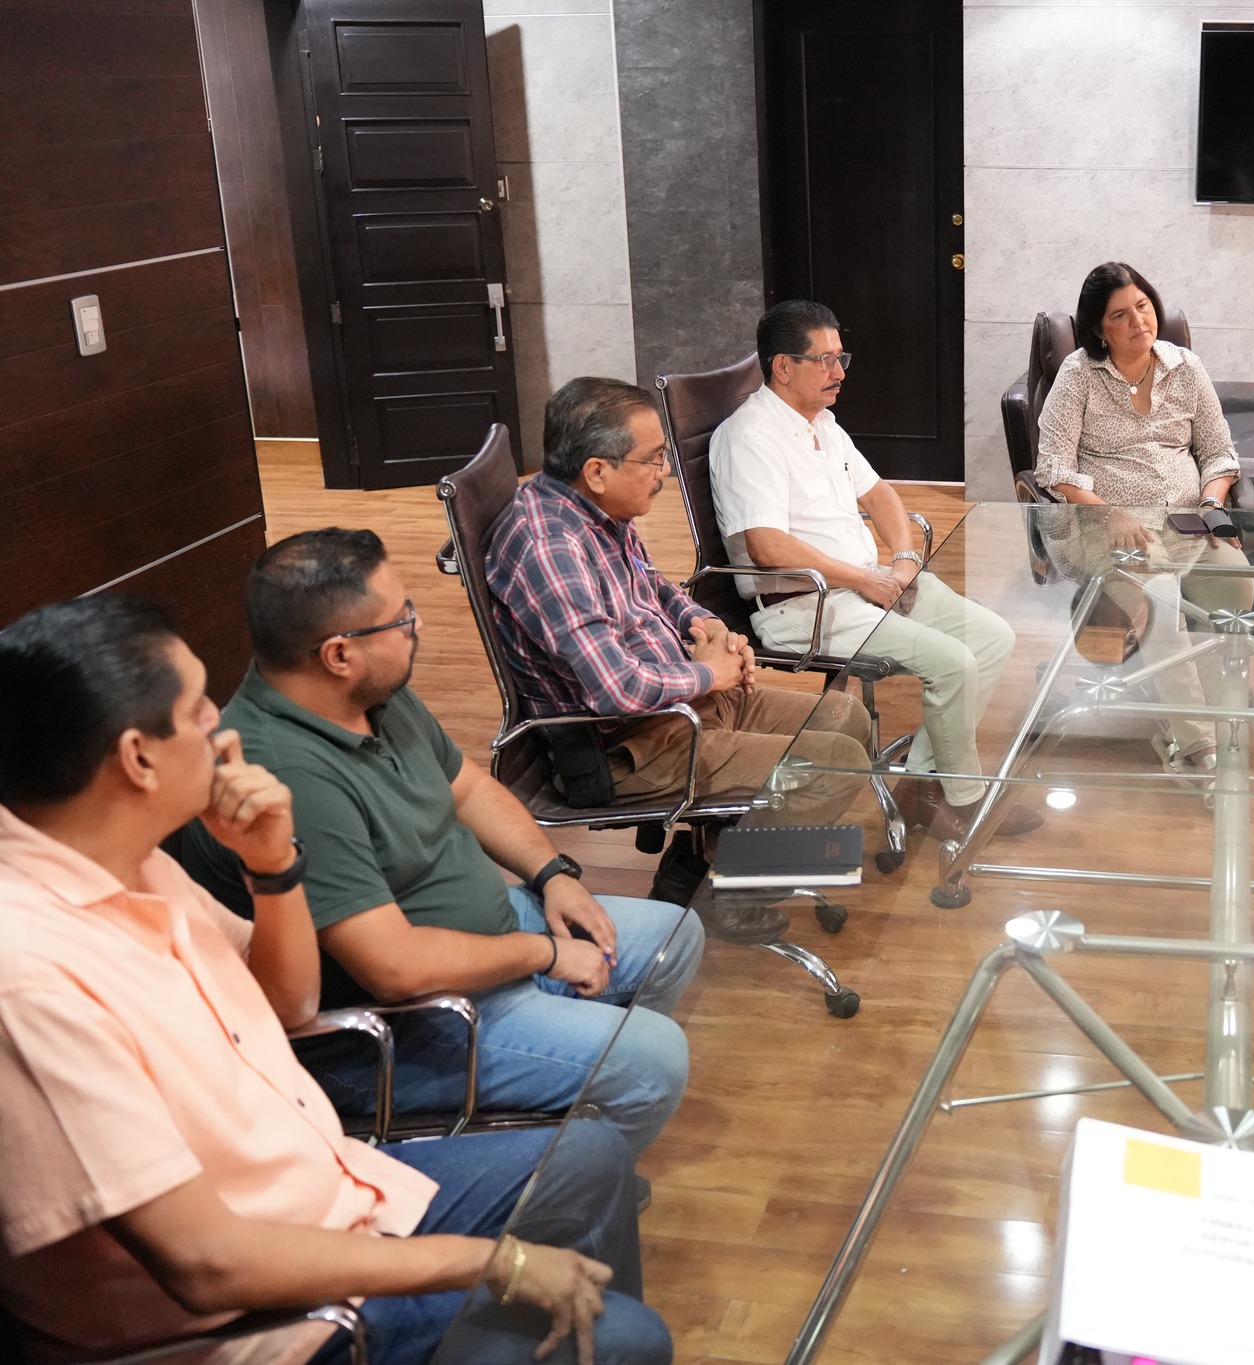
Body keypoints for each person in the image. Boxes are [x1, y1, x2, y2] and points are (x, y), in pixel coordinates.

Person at [0, 596, 669, 1365]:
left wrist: (273, 865)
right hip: (260, 1319)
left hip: (324, 1186)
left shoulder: (132, 860)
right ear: (137, 758)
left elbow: (289, 1004)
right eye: (197, 708)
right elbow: (207, 1264)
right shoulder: (29, 980)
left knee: (589, 1159)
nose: (222, 723)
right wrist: (488, 1260)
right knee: (630, 1339)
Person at [181, 528, 697, 1170]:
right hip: (408, 1024)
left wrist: (553, 874)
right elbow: (396, 969)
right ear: (339, 654)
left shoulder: (365, 692)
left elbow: (469, 789)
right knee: (651, 1057)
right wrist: (545, 953)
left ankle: (576, 1125)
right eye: (401, 619)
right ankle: (564, 1178)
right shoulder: (288, 774)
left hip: (489, 942)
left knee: (673, 936)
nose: (416, 625)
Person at [486, 375, 873, 940]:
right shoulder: (551, 547)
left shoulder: (594, 510)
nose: (664, 471)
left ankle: (699, 859)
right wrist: (709, 673)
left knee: (847, 717)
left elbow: (652, 584)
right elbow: (615, 689)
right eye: (652, 459)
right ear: (597, 471)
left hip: (680, 703)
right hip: (627, 744)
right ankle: (728, 896)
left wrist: (705, 624)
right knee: (835, 765)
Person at [709, 300, 1036, 842]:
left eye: (841, 358)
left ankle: (921, 785)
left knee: (993, 637)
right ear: (782, 366)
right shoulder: (750, 437)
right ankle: (962, 797)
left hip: (867, 584)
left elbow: (881, 495)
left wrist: (904, 560)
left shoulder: (823, 423)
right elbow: (766, 547)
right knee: (954, 663)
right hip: (806, 606)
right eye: (824, 360)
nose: (839, 372)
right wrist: (865, 580)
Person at [1033, 260, 1254, 777]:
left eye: (1143, 306)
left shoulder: (1186, 367)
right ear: (1099, 329)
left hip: (1187, 522)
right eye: (1120, 315)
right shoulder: (1079, 375)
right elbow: (1053, 467)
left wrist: (1212, 504)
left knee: (1234, 589)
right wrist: (1108, 511)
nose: (1138, 321)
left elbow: (1219, 452)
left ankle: (1198, 715)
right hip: (1103, 526)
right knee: (1161, 600)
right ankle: (1201, 750)